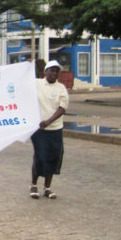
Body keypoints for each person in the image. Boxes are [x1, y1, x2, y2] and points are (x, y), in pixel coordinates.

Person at [30, 60, 69, 199]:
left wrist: (49, 121)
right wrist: (28, 66)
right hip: (39, 130)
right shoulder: (37, 83)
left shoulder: (61, 88)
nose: (53, 73)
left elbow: (62, 108)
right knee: (40, 157)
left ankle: (47, 187)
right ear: (45, 72)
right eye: (51, 70)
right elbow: (22, 80)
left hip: (55, 129)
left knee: (54, 157)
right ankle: (33, 185)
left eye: (56, 71)